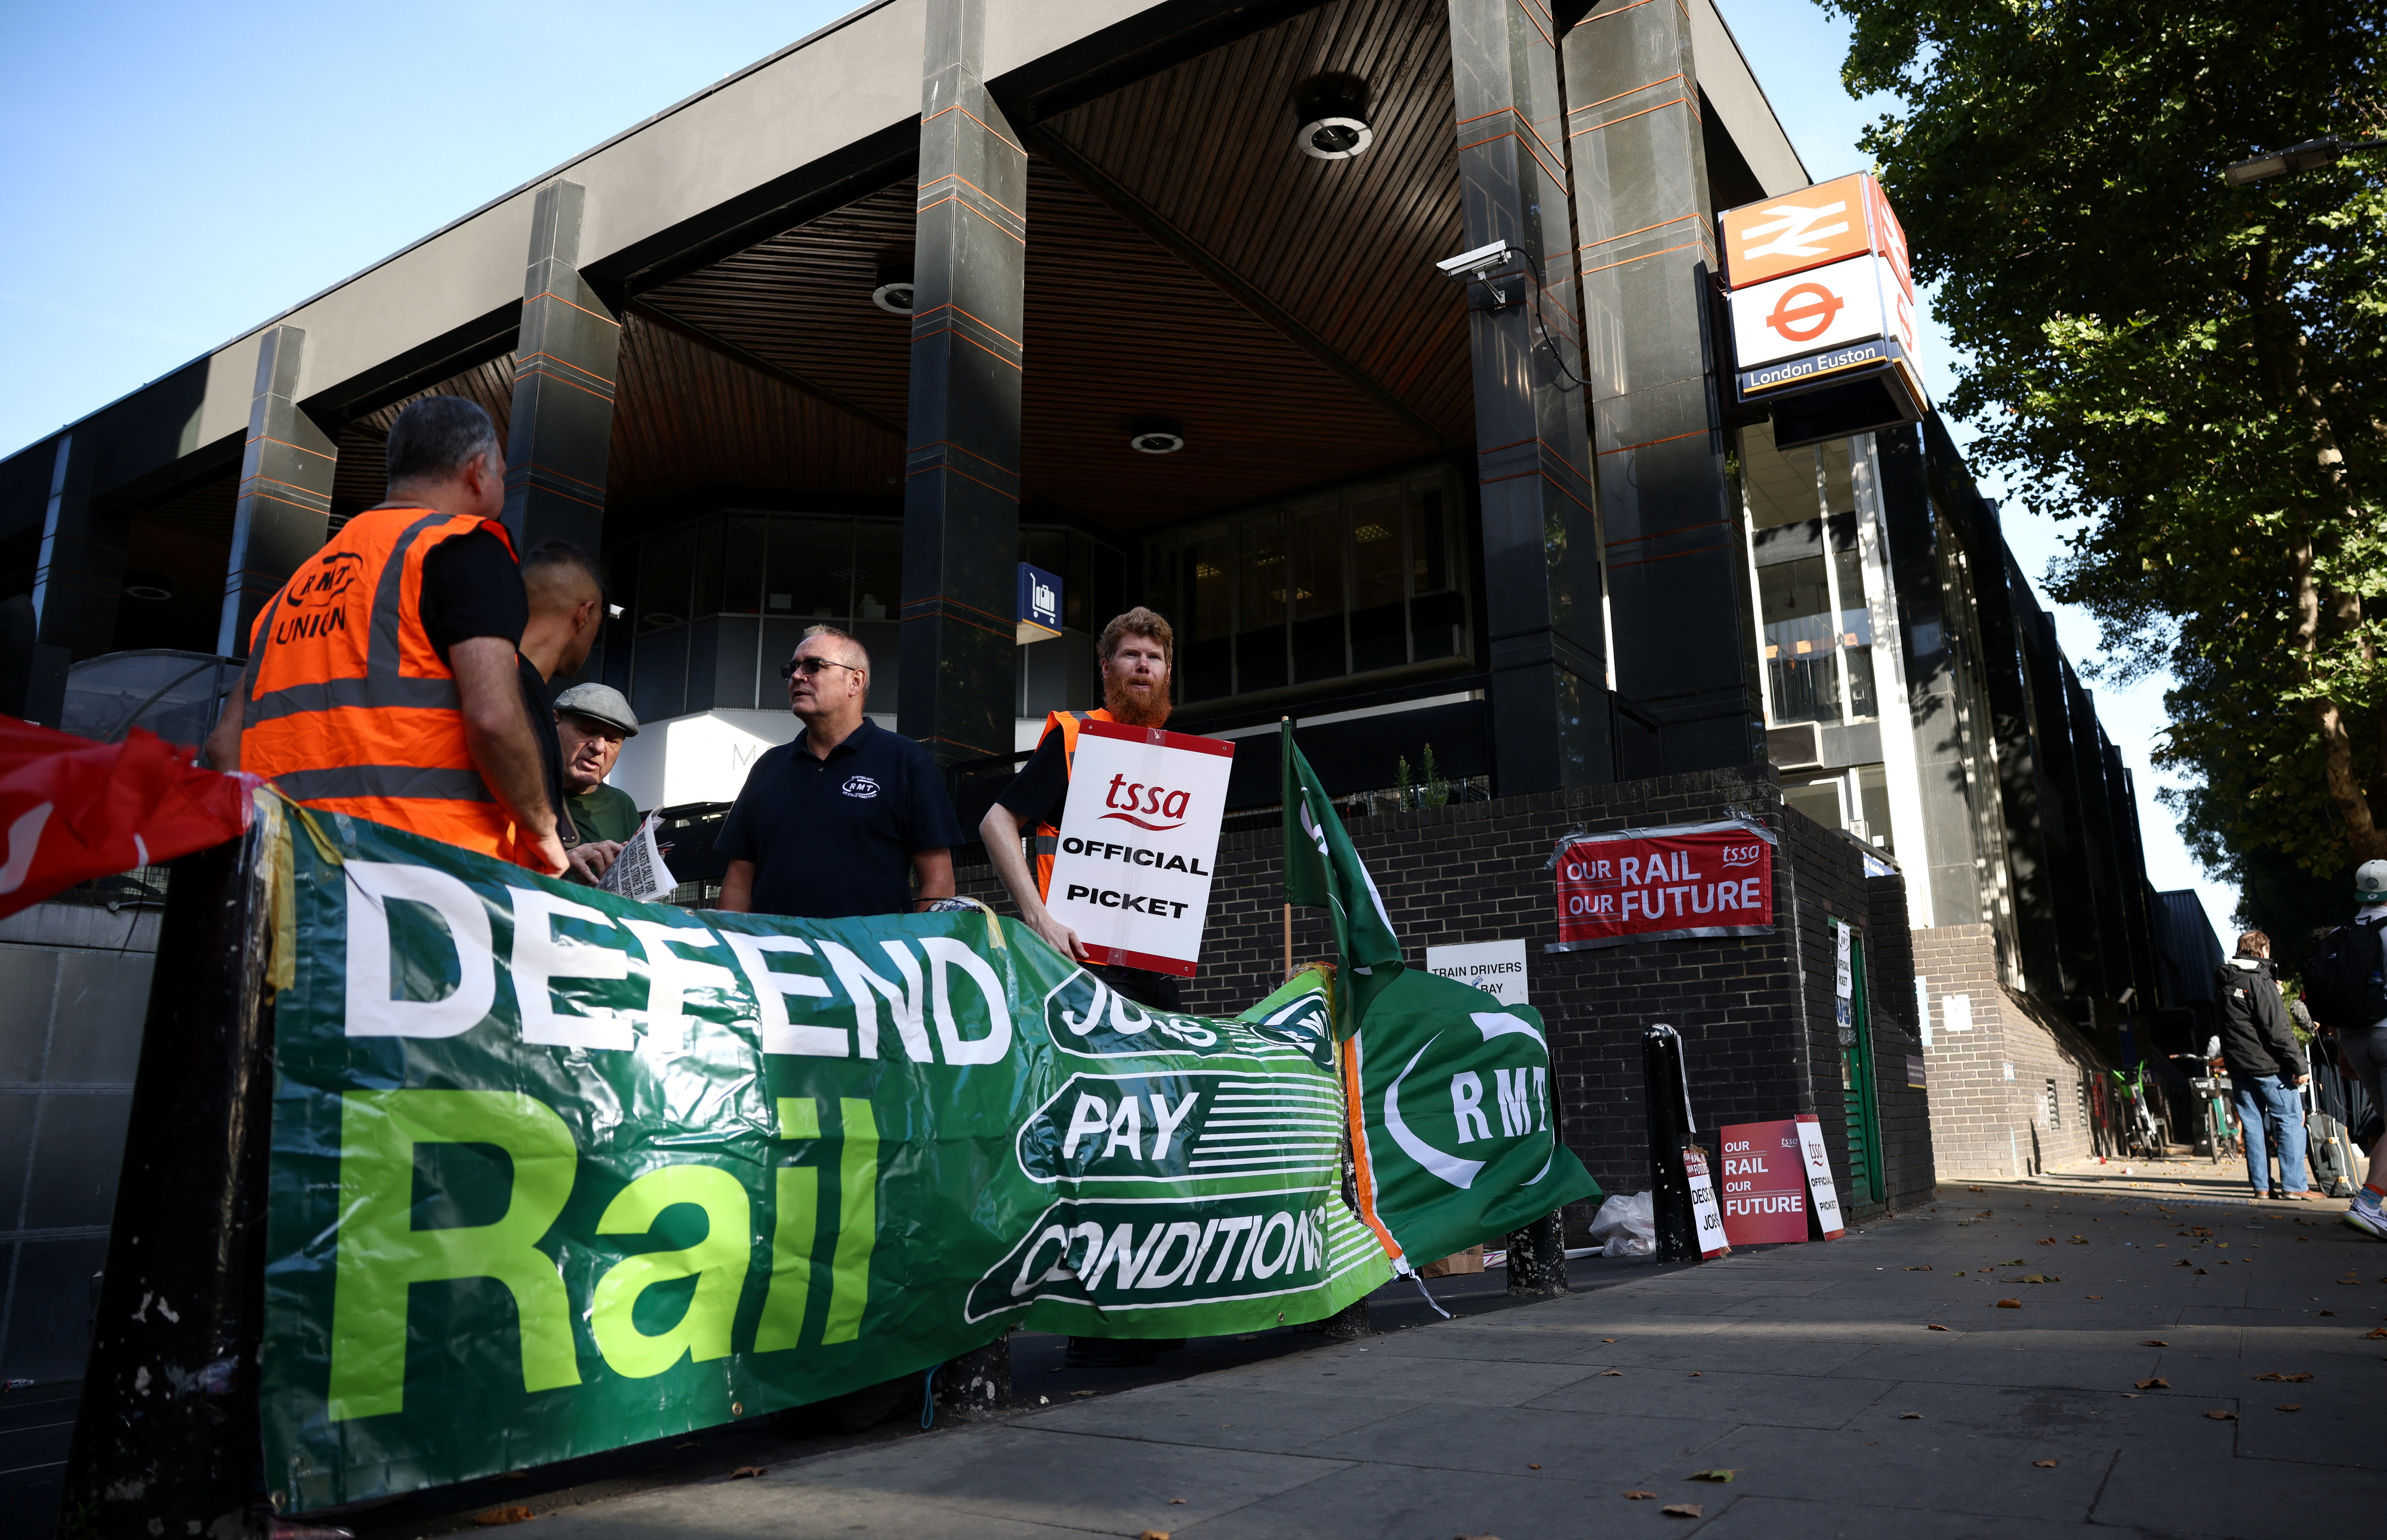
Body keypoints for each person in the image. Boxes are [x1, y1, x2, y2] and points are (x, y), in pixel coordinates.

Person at [203, 397, 565, 875]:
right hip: (425, 877)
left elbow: (224, 746)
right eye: (500, 473)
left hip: (293, 877)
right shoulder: (466, 548)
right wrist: (543, 830)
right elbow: (494, 717)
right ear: (478, 472)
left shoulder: (295, 590)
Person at [980, 607, 1182, 1011]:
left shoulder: (1177, 760)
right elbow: (996, 822)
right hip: (1082, 966)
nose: (1144, 666)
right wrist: (1038, 919)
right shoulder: (1077, 736)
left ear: (1167, 673)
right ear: (1106, 669)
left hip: (1154, 973)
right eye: (1131, 655)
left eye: (1154, 657)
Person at [716, 625, 961, 918]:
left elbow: (937, 880)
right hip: (774, 958)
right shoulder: (767, 768)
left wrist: (920, 954)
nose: (796, 676)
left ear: (855, 681)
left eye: (814, 666)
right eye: (793, 668)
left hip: (870, 959)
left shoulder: (906, 761)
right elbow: (739, 882)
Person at [514, 542, 612, 882]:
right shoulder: (504, 691)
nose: (599, 747)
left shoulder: (513, 687)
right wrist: (548, 844)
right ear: (584, 615)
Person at [2216, 928, 2311, 1200]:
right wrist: (2299, 1065)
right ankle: (2294, 1187)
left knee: (2253, 1126)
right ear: (2264, 951)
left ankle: (2261, 1187)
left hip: (2239, 1065)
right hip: (2268, 1065)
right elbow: (2277, 1029)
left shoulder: (2225, 980)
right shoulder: (2259, 979)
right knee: (2290, 1121)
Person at [2329, 860, 2387, 1239]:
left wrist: (2341, 1049)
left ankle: (2371, 1204)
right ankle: (2367, 1205)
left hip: (2355, 1039)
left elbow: (2329, 999)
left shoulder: (2339, 933)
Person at [553, 683, 642, 856]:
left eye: (612, 740)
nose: (599, 747)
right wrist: (565, 863)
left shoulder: (622, 805)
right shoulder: (518, 787)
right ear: (554, 722)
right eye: (586, 731)